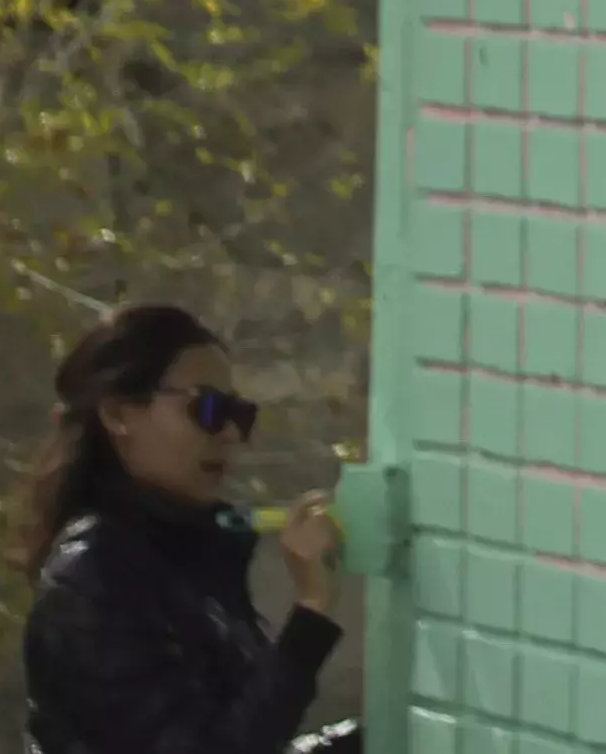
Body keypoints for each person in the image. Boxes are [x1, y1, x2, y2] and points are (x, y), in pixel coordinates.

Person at [18, 300, 356, 754]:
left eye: (239, 414)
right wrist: (310, 614)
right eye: (209, 409)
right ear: (119, 414)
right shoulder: (91, 579)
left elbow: (244, 732)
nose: (231, 435)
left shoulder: (193, 554)